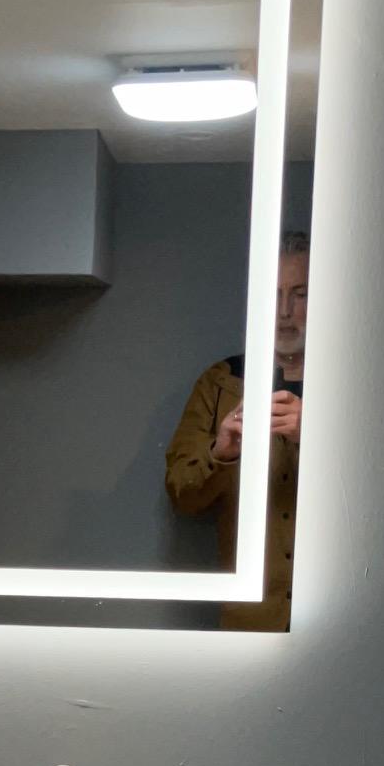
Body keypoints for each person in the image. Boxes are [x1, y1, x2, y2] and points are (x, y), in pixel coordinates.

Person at [164, 230, 309, 632]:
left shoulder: (357, 387)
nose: (283, 311)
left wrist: (316, 441)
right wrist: (222, 451)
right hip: (253, 621)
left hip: (348, 620)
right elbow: (183, 496)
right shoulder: (221, 382)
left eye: (300, 294)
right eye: (274, 293)